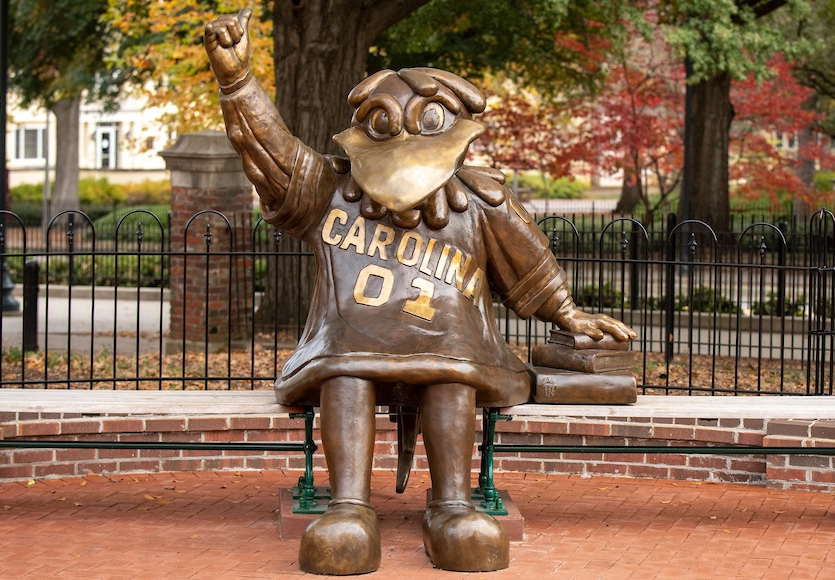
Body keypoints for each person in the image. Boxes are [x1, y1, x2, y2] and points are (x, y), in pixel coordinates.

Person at [205, 9, 635, 574]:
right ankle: (349, 507)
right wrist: (237, 82)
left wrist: (568, 314)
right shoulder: (330, 190)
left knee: (450, 372)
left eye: (424, 120)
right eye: (385, 123)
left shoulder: (480, 202)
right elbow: (272, 155)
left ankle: (452, 505)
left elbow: (528, 266)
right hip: (349, 344)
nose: (405, 138)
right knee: (346, 370)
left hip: (451, 348)